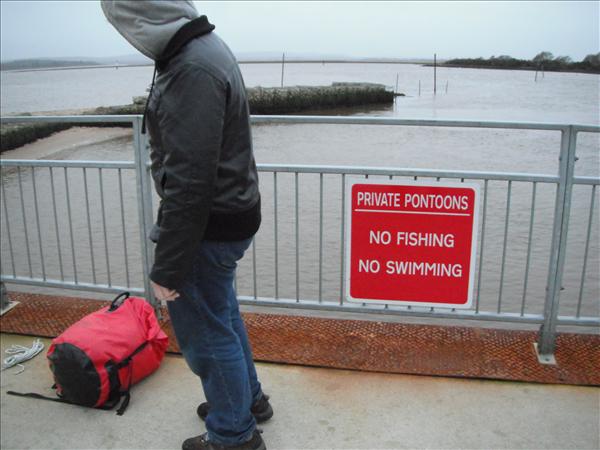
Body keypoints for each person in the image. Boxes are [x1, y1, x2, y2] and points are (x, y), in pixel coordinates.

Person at [101, 2, 272, 449]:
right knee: (222, 315)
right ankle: (246, 402)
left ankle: (233, 434)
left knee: (207, 335)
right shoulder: (204, 47)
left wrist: (167, 267)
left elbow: (191, 181)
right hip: (230, 213)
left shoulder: (191, 67)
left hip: (209, 225)